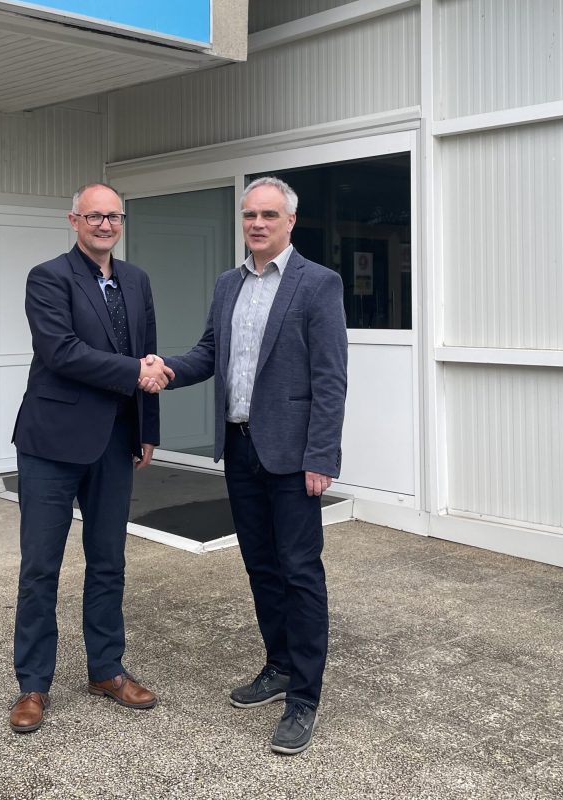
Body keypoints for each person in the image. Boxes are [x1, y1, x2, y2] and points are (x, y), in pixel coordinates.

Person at [143, 176, 347, 755]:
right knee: (260, 566)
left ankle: (304, 697)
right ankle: (279, 665)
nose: (257, 224)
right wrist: (167, 370)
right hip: (239, 449)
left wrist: (321, 455)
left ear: (290, 222)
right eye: (249, 215)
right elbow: (211, 351)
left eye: (268, 215)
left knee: (300, 571)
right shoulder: (228, 284)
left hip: (293, 456)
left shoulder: (318, 283)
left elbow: (331, 378)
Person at [9, 182, 172, 734]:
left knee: (108, 562)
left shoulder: (137, 280)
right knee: (40, 568)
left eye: (114, 217)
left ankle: (106, 670)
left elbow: (148, 354)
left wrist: (148, 428)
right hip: (52, 444)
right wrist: (135, 372)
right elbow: (62, 352)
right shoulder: (48, 278)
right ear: (74, 220)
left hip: (114, 441)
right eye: (95, 216)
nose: (105, 225)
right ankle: (33, 684)